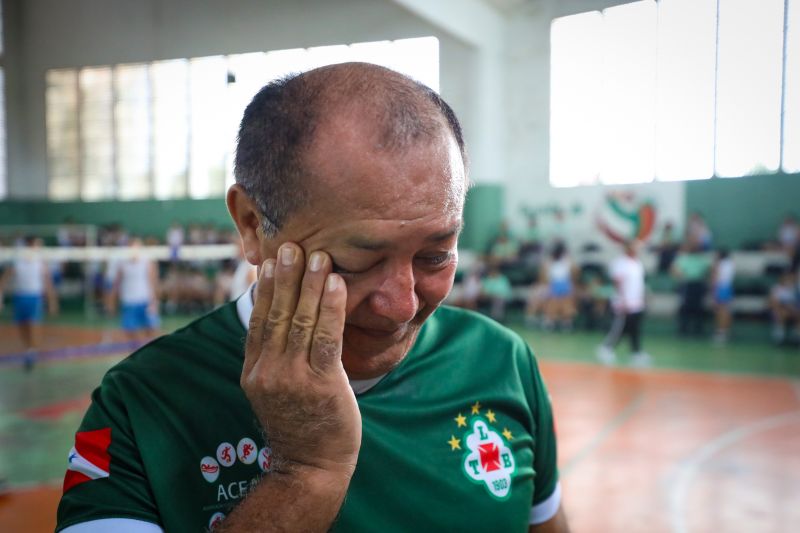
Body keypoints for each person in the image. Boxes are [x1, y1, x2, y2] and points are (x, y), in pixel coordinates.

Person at [56, 63, 567, 532]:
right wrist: (305, 475)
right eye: (356, 262)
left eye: (435, 256)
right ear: (253, 225)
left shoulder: (502, 362)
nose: (403, 304)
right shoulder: (142, 405)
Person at [0, 236, 59, 370]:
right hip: (20, 297)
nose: (39, 247)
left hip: (35, 297)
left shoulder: (40, 262)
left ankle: (32, 352)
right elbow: (3, 280)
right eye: (37, 244)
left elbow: (48, 283)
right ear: (28, 245)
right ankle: (28, 349)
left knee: (33, 325)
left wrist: (52, 302)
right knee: (22, 326)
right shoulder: (17, 262)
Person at [596, 240, 650, 367]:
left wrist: (643, 298)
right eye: (634, 247)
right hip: (624, 303)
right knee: (619, 328)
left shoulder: (637, 263)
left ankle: (636, 352)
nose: (637, 249)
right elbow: (617, 282)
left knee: (635, 329)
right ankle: (605, 349)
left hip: (636, 302)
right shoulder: (620, 263)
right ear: (628, 248)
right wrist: (623, 299)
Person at [105, 237, 160, 342]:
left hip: (145, 300)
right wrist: (111, 301)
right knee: (129, 331)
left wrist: (154, 301)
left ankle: (149, 352)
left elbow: (153, 281)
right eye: (131, 247)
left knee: (152, 329)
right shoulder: (122, 263)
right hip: (129, 302)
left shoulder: (147, 261)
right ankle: (137, 351)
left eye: (137, 247)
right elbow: (116, 283)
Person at [672, 244, 712, 336]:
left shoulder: (701, 259)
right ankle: (684, 328)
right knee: (686, 307)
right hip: (688, 284)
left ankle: (697, 329)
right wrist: (681, 277)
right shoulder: (685, 259)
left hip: (697, 284)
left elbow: (709, 269)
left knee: (697, 308)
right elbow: (674, 269)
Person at [541, 241, 577, 331]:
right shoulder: (549, 262)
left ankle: (566, 322)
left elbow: (573, 274)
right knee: (553, 302)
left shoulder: (567, 261)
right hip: (553, 284)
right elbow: (546, 277)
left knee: (566, 302)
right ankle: (550, 321)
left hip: (565, 284)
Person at [710, 249, 735, 344]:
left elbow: (715, 278)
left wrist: (714, 291)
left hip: (721, 288)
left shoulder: (719, 264)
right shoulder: (730, 264)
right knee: (725, 310)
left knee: (721, 311)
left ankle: (721, 332)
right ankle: (724, 332)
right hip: (727, 287)